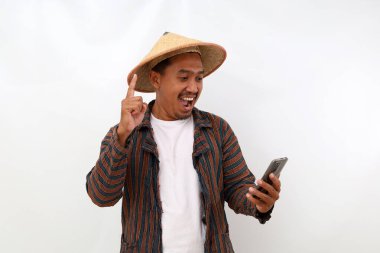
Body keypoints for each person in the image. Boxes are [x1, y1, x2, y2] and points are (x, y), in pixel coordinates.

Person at [85, 32, 282, 253]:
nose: (193, 88)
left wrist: (259, 202)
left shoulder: (217, 130)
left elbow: (238, 187)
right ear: (156, 79)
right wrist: (123, 136)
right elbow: (101, 195)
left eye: (198, 78)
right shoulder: (126, 134)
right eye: (183, 77)